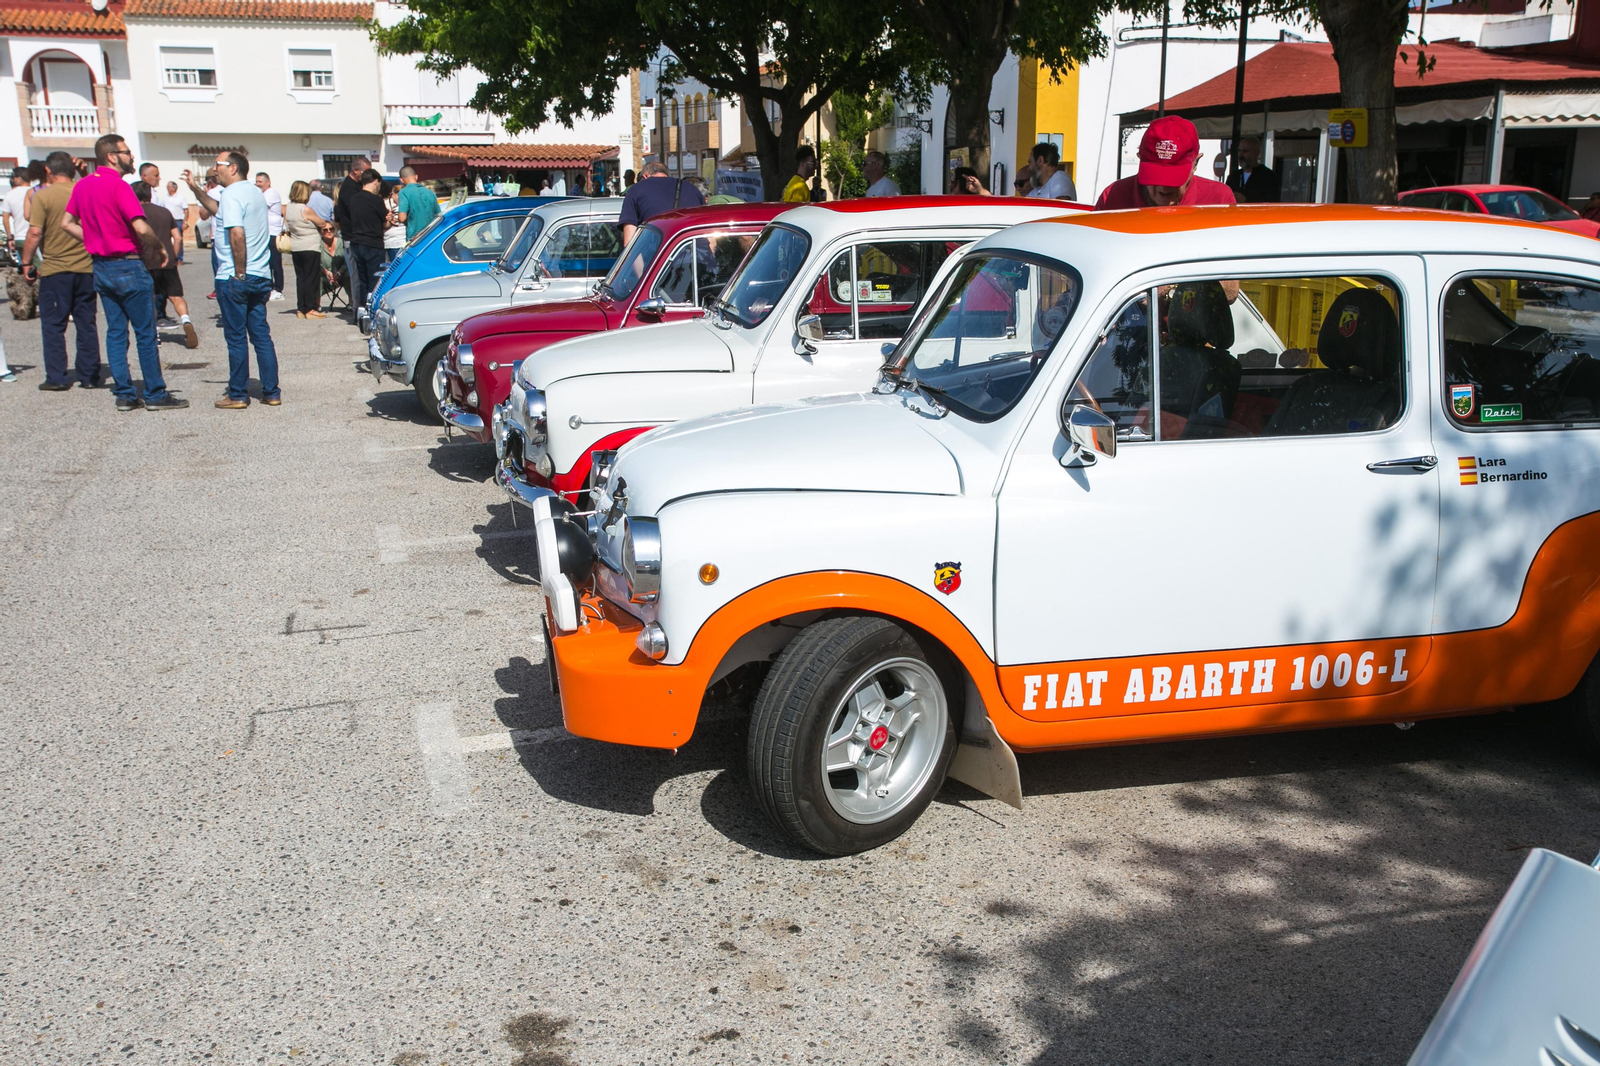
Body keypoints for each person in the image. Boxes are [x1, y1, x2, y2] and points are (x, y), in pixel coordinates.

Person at [62, 132, 186, 412]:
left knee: (116, 332)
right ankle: (155, 393)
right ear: (111, 156)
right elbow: (141, 227)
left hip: (101, 265)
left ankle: (125, 394)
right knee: (144, 332)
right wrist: (161, 248)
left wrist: (93, 239)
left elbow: (66, 223)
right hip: (128, 262)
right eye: (126, 152)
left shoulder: (82, 186)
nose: (131, 156)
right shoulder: (119, 186)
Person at [198, 150, 279, 409]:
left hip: (236, 275)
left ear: (232, 168)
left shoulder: (232, 194)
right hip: (261, 274)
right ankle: (271, 391)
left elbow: (236, 234)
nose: (214, 169)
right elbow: (220, 212)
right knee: (261, 336)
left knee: (235, 337)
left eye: (218, 164)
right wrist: (194, 189)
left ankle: (237, 394)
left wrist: (239, 271)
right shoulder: (253, 192)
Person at [23, 151, 100, 390]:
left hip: (56, 268)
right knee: (86, 322)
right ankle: (89, 376)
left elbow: (35, 232)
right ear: (73, 169)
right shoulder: (84, 190)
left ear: (48, 170)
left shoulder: (43, 197)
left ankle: (56, 377)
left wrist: (26, 262)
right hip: (87, 267)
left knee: (54, 325)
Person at [1094, 116, 1237, 210]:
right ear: (1139, 159)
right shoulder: (1112, 199)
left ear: (1195, 164)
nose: (1163, 187)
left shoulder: (1219, 201)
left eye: (1174, 178)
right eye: (1154, 176)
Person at [131, 180, 197, 349]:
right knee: (176, 296)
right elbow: (179, 237)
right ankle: (186, 321)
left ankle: (155, 335)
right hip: (167, 261)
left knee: (150, 298)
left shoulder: (134, 213)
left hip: (145, 261)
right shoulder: (165, 212)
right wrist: (173, 257)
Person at [617, 160, 705, 245]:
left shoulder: (635, 190)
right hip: (694, 255)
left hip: (657, 255)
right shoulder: (692, 189)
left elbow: (629, 241)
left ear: (645, 176)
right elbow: (709, 235)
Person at [343, 168, 388, 319]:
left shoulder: (354, 199)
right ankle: (372, 314)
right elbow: (385, 224)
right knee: (375, 282)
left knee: (362, 281)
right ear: (375, 181)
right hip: (373, 243)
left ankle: (361, 313)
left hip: (356, 242)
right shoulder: (376, 200)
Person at [284, 179, 331, 318]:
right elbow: (321, 222)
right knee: (311, 278)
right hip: (309, 245)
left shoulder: (289, 207)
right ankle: (310, 308)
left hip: (296, 245)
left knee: (301, 278)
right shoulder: (305, 209)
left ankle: (301, 308)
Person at [254, 171, 286, 300]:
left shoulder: (271, 193)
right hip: (265, 232)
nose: (258, 184)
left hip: (273, 232)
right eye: (256, 182)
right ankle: (269, 286)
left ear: (268, 182)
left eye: (260, 182)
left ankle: (278, 289)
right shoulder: (262, 194)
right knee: (267, 262)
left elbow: (258, 206)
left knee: (275, 262)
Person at [1227, 136, 1280, 203]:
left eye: (1245, 151)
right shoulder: (1234, 176)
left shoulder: (1268, 176)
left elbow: (1272, 203)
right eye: (1239, 151)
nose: (1241, 155)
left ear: (1257, 153)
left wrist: (1247, 200)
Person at [395, 165, 438, 241]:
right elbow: (438, 215)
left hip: (415, 237)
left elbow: (402, 218)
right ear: (416, 176)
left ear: (401, 180)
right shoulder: (430, 192)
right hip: (431, 235)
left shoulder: (404, 192)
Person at [165, 180, 191, 263]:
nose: (167, 188)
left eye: (169, 187)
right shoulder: (165, 197)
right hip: (167, 221)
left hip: (178, 221)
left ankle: (179, 259)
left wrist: (185, 222)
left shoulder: (180, 197)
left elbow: (186, 210)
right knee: (167, 239)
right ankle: (169, 257)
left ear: (174, 188)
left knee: (178, 240)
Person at [383, 182, 407, 262]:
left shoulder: (403, 207)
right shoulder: (389, 205)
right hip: (395, 242)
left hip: (396, 243)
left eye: (392, 194)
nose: (391, 197)